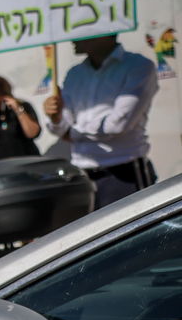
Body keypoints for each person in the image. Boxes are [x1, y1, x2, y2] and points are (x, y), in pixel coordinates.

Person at [43, 33, 159, 208]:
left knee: (130, 224)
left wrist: (72, 132)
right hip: (83, 175)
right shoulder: (74, 74)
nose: (73, 38)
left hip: (123, 173)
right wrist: (55, 116)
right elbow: (61, 128)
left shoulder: (138, 66)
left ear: (104, 33)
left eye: (81, 30)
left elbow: (117, 124)